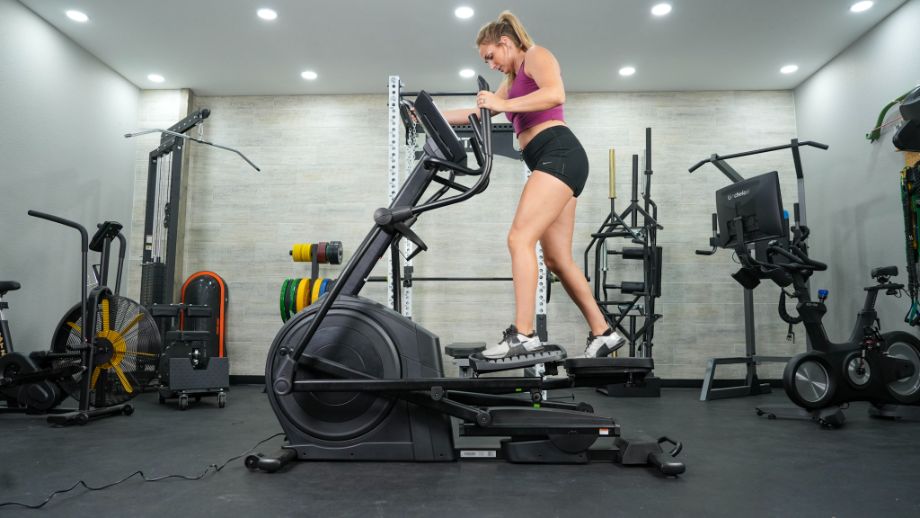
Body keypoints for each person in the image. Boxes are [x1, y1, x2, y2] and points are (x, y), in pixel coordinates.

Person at [441, 11, 625, 359]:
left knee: (519, 238)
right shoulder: (511, 81)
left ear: (505, 43)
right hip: (551, 159)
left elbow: (556, 94)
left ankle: (523, 334)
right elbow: (479, 113)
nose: (490, 64)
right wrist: (429, 115)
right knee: (557, 259)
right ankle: (604, 332)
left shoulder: (537, 56)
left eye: (490, 56)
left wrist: (503, 103)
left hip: (559, 151)